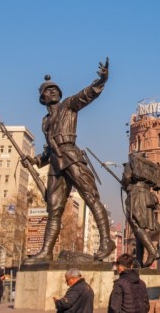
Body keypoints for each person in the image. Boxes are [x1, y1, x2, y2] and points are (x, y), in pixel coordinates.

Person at [26, 59, 116, 261]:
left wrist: (102, 79)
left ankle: (105, 242)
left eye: (55, 90)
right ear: (42, 98)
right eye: (49, 91)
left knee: (90, 196)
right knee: (54, 209)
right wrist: (35, 160)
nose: (54, 92)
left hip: (71, 155)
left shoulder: (68, 105)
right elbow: (49, 149)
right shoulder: (45, 121)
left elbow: (86, 95)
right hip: (56, 165)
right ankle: (46, 251)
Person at [121, 152, 160, 267]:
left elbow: (126, 178)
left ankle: (152, 252)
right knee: (140, 227)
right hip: (147, 196)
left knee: (135, 224)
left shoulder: (132, 163)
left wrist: (124, 183)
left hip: (136, 196)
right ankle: (139, 260)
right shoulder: (150, 166)